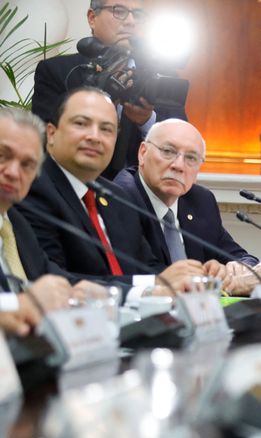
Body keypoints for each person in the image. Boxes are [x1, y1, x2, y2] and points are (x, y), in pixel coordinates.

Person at [18, 87, 205, 297]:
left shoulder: (116, 197)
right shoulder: (31, 187)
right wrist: (147, 289)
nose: (94, 137)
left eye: (106, 129)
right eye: (81, 123)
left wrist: (196, 278)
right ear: (51, 133)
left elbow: (148, 268)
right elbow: (55, 281)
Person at [114, 119, 261, 295]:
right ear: (143, 153)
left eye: (191, 158)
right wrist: (232, 285)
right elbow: (149, 276)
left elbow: (238, 256)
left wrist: (242, 268)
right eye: (167, 151)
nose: (178, 165)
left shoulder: (200, 200)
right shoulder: (121, 198)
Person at [31, 0, 187, 178]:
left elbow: (183, 141)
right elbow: (44, 139)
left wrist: (146, 120)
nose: (130, 21)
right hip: (76, 185)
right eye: (119, 11)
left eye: (137, 15)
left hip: (140, 194)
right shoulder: (58, 71)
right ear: (92, 18)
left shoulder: (162, 74)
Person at [0, 108, 106, 335]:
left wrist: (85, 292)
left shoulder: (16, 225)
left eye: (27, 165)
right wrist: (19, 303)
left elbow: (58, 280)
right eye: (2, 155)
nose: (12, 172)